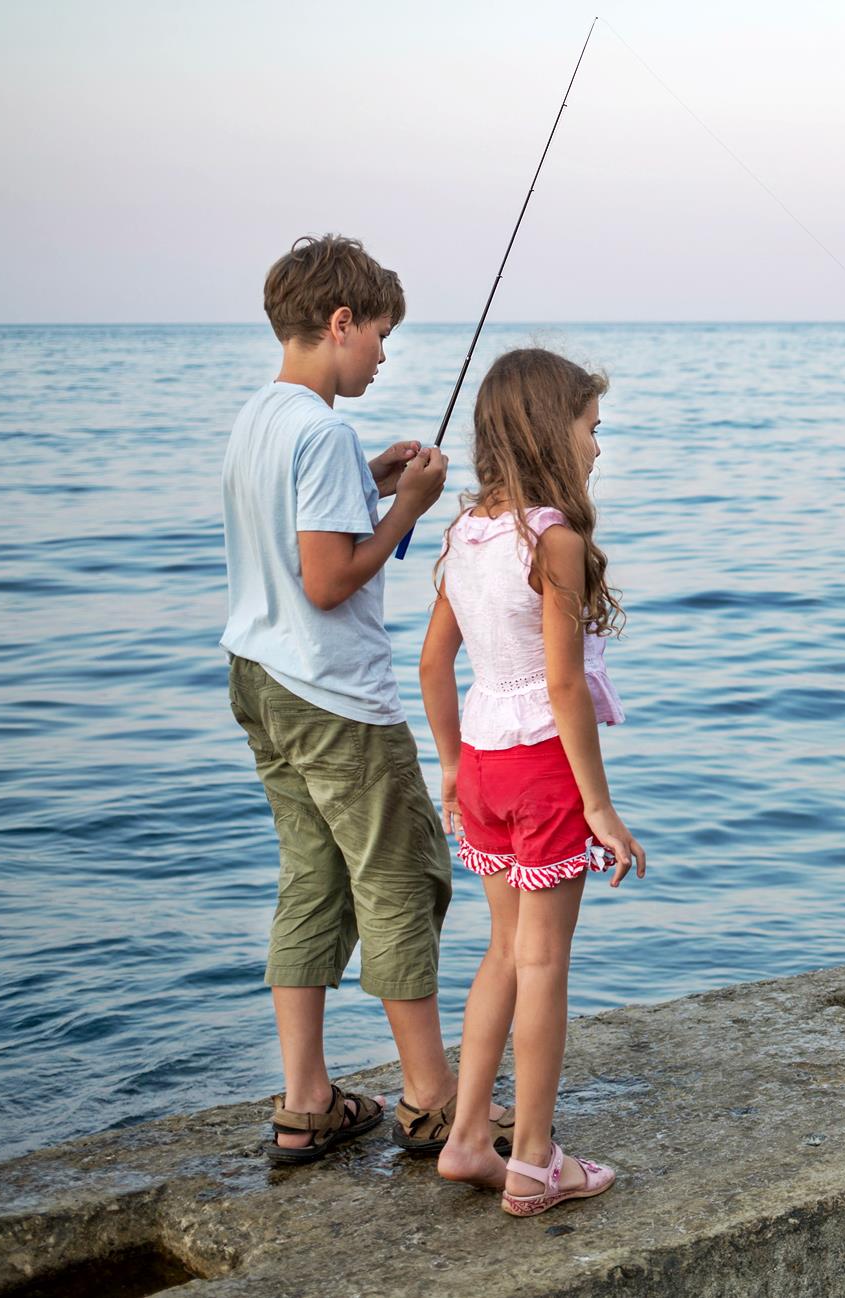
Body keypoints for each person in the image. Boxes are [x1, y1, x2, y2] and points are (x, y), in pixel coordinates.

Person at [223, 234, 505, 1163]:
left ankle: (306, 1102)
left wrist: (373, 482)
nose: (384, 354)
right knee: (402, 882)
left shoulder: (261, 419)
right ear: (340, 323)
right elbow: (329, 578)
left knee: (312, 879)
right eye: (379, 334)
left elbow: (296, 534)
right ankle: (431, 1100)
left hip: (260, 682)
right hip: (333, 695)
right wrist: (409, 511)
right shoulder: (319, 431)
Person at [421, 347, 647, 1216]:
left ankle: (469, 1138)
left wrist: (449, 764)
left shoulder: (467, 535)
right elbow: (561, 687)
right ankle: (537, 1160)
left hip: (481, 766)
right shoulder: (555, 540)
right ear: (555, 431)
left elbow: (434, 665)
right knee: (546, 963)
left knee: (504, 956)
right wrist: (599, 804)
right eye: (593, 428)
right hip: (544, 772)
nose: (598, 446)